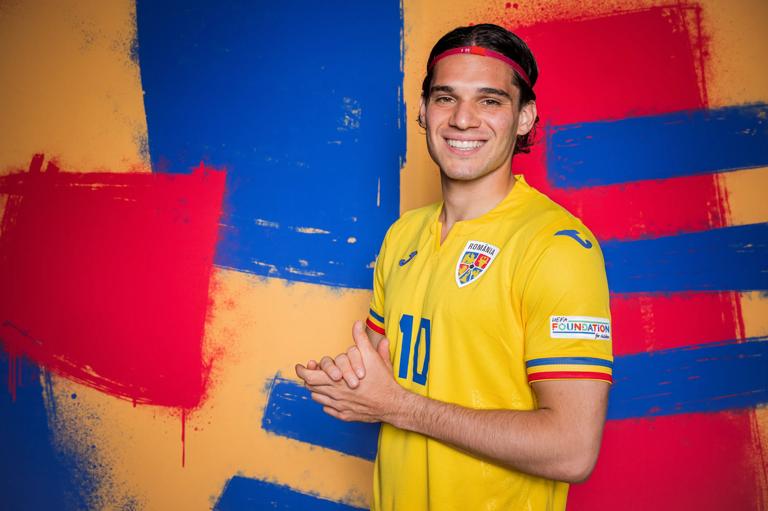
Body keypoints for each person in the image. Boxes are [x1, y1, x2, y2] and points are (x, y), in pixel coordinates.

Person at [296, 23, 613, 511]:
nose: (463, 119)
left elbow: (572, 450)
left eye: (490, 101)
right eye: (446, 98)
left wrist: (399, 408)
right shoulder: (402, 236)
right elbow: (392, 375)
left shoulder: (556, 247)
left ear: (525, 117)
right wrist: (354, 384)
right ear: (423, 111)